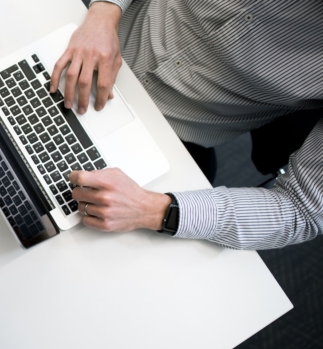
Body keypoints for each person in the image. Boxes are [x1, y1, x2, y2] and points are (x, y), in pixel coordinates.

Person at [53, 0, 323, 250]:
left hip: (168, 138)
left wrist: (154, 210)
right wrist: (104, 12)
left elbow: (302, 210)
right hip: (91, 35)